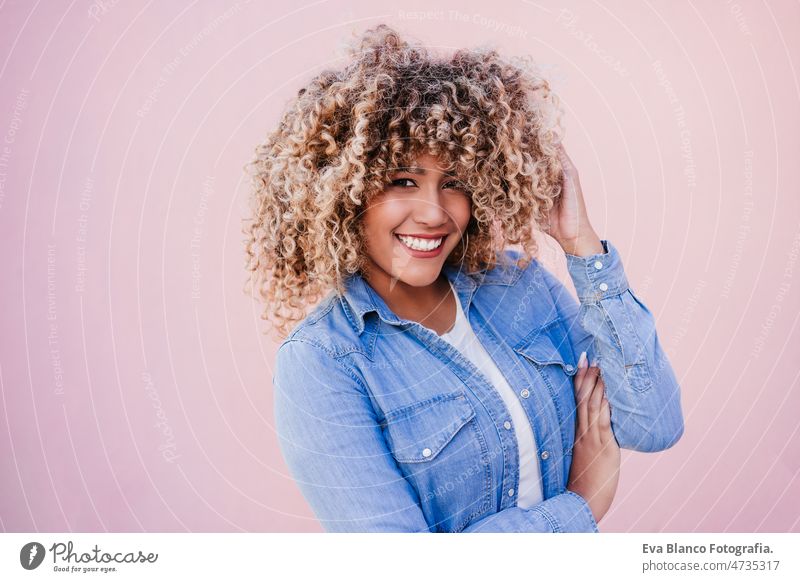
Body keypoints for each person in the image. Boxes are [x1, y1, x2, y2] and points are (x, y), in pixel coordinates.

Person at [244, 24, 684, 532]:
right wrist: (580, 508)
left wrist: (581, 245)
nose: (434, 213)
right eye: (402, 181)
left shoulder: (518, 286)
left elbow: (652, 423)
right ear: (342, 191)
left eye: (453, 183)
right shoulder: (323, 363)